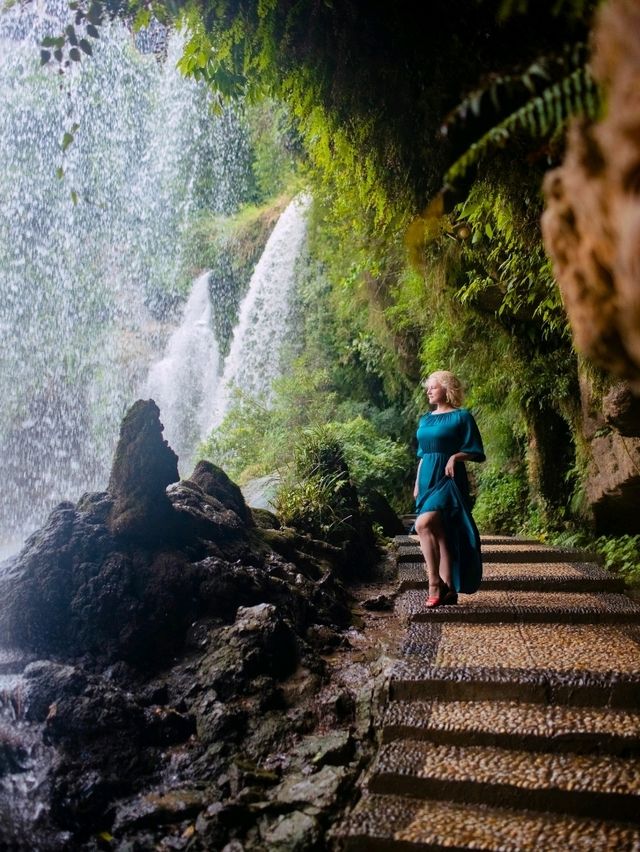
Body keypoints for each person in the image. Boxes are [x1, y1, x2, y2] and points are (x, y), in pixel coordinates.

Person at [413, 370, 485, 607]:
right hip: (427, 478)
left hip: (449, 478)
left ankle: (434, 584)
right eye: (428, 388)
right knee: (441, 532)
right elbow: (422, 454)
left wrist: (455, 457)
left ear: (446, 388)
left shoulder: (462, 417)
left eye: (433, 387)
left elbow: (475, 450)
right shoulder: (425, 419)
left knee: (422, 524)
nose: (428, 391)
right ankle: (450, 589)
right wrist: (417, 483)